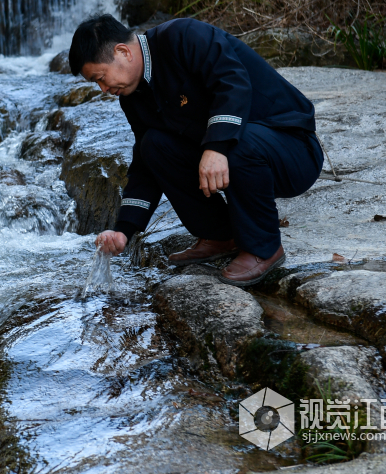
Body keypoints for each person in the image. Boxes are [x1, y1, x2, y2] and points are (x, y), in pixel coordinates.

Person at [68, 15, 323, 286]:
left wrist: (216, 147)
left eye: (101, 78)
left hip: (293, 150)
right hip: (243, 160)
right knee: (153, 146)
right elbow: (145, 164)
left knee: (230, 137)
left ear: (122, 52)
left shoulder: (184, 36)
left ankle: (264, 247)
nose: (104, 89)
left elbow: (233, 84)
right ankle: (220, 235)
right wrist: (123, 231)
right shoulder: (133, 96)